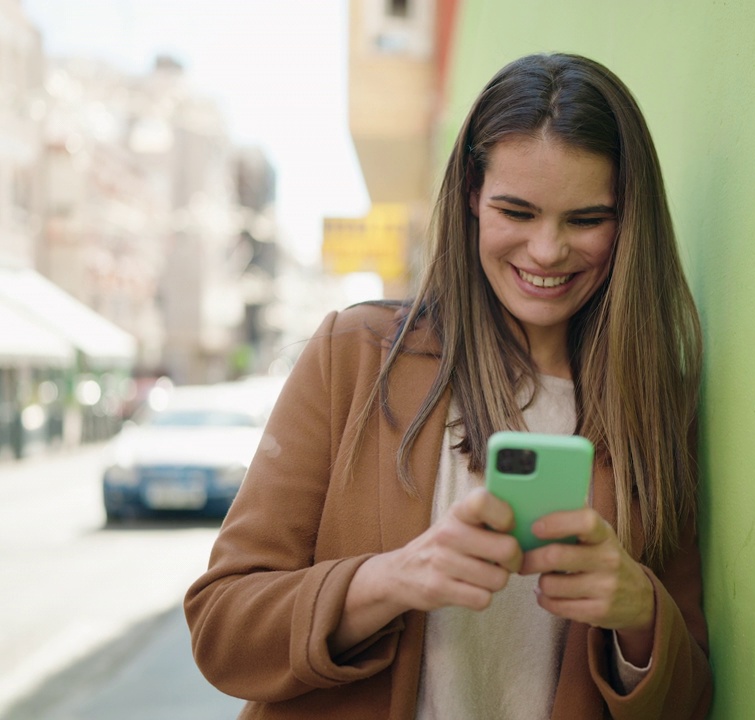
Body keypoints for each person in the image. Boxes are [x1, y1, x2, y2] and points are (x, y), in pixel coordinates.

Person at [185, 53, 711, 720]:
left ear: (629, 220)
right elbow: (222, 631)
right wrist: (390, 578)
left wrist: (640, 613)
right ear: (470, 196)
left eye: (585, 220)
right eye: (516, 211)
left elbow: (691, 702)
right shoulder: (355, 355)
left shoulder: (655, 404)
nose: (547, 251)